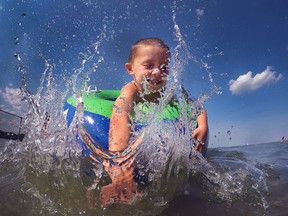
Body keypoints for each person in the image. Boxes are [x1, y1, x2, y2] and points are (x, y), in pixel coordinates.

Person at [99, 38, 208, 206]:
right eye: (149, 66)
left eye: (164, 67)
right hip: (136, 136)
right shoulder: (130, 89)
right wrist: (119, 162)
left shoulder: (170, 90)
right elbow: (119, 115)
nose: (157, 72)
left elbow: (194, 104)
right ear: (130, 69)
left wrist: (202, 126)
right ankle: (117, 183)